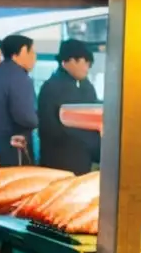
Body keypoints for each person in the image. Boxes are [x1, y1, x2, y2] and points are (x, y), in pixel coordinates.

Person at [38, 39, 101, 175]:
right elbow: (51, 128)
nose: (87, 69)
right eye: (86, 63)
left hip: (82, 158)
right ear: (71, 60)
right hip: (60, 160)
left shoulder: (85, 85)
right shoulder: (52, 87)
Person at [0, 34, 39, 167]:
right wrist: (39, 120)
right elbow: (25, 117)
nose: (35, 56)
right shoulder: (19, 78)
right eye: (32, 51)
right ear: (23, 51)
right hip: (12, 149)